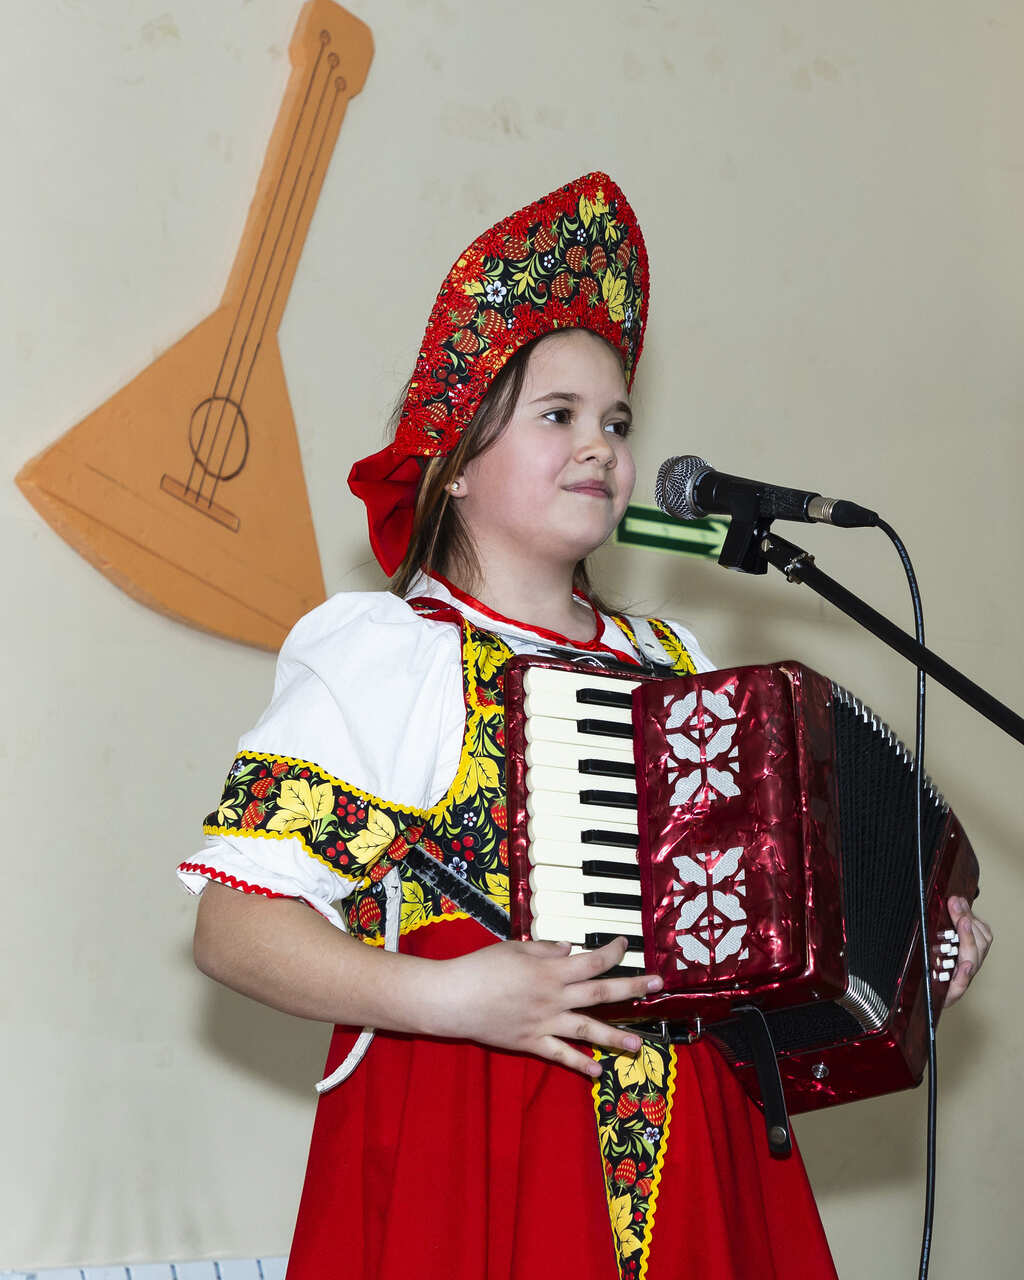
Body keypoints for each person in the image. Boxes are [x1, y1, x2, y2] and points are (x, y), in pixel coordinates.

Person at [179, 172, 992, 1279]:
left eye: (616, 421)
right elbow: (232, 926)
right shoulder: (394, 654)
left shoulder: (676, 664)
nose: (601, 446)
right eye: (557, 415)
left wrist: (904, 974)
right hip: (483, 1124)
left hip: (697, 1139)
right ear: (454, 465)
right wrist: (448, 994)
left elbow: (754, 956)